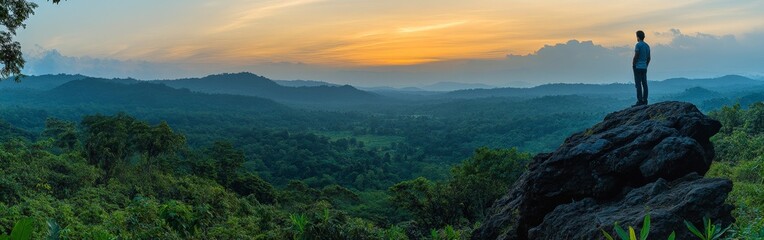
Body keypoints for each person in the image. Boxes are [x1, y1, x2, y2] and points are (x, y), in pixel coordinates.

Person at [632, 30, 651, 106]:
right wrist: (646, 65)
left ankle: (639, 101)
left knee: (638, 84)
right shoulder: (647, 46)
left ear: (638, 37)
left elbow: (636, 55)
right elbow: (649, 58)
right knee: (644, 84)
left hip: (638, 67)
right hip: (644, 67)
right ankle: (645, 100)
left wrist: (633, 63)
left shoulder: (638, 45)